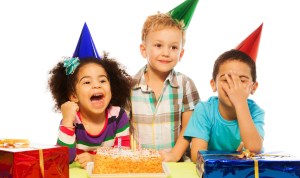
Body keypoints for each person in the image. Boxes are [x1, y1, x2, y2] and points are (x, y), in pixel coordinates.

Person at [48, 23, 131, 168]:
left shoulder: (118, 116)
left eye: (102, 80)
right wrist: (67, 120)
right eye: (87, 82)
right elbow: (63, 159)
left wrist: (95, 159)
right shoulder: (72, 118)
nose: (96, 85)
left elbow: (123, 154)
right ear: (74, 96)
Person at [129, 0, 200, 162]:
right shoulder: (130, 86)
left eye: (173, 47)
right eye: (158, 45)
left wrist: (174, 155)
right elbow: (124, 128)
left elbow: (190, 126)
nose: (166, 53)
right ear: (143, 49)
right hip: (140, 162)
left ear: (181, 54)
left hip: (177, 162)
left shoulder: (185, 84)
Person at [184, 48, 265, 162]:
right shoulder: (204, 110)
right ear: (213, 84)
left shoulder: (256, 111)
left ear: (253, 87)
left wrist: (240, 102)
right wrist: (231, 158)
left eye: (242, 81)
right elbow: (197, 156)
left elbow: (254, 148)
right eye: (226, 80)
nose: (234, 87)